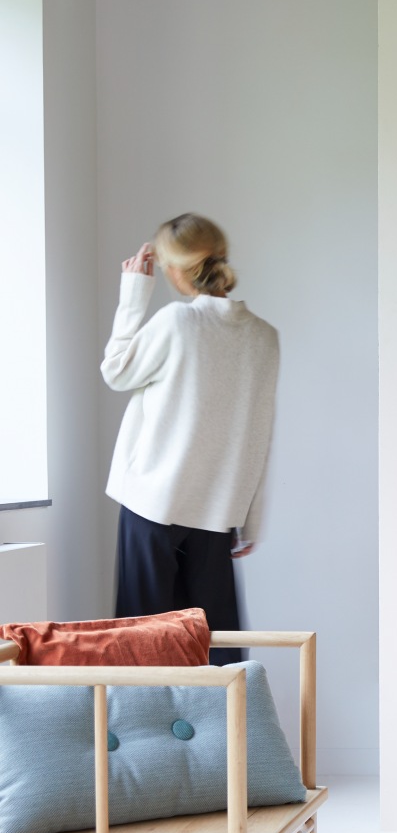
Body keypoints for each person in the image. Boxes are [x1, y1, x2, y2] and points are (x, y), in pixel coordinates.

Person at [101, 213, 279, 665]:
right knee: (216, 649)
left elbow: (116, 371)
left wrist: (133, 293)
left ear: (177, 269)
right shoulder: (263, 336)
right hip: (216, 513)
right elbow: (261, 433)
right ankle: (228, 718)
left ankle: (146, 717)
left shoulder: (177, 322)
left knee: (142, 648)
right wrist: (251, 518)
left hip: (152, 506)